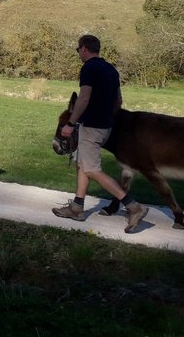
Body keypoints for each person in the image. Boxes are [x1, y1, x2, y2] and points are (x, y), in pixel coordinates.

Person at [53, 34, 149, 233]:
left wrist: (71, 123)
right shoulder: (111, 70)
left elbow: (84, 98)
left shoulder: (89, 68)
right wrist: (106, 118)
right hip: (105, 126)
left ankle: (134, 206)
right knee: (83, 164)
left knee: (92, 170)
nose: (78, 53)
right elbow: (119, 101)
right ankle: (77, 208)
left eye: (78, 49)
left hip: (91, 127)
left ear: (85, 49)